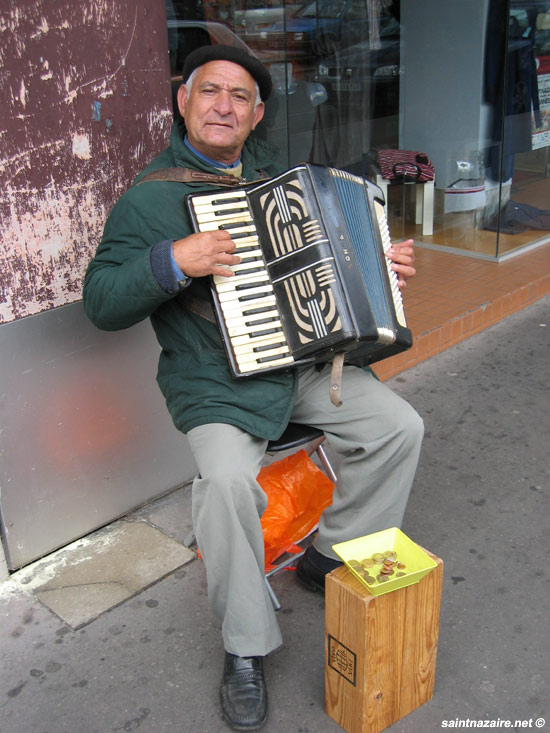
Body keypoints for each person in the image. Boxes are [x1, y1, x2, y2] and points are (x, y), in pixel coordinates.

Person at [83, 44, 424, 731]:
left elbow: (326, 263)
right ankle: (245, 645)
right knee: (230, 483)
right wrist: (171, 260)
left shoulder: (278, 176)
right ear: (184, 100)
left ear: (258, 113)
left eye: (240, 98)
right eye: (211, 92)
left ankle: (329, 552)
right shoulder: (149, 202)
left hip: (296, 367)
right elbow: (101, 301)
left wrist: (378, 266)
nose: (224, 107)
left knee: (399, 427)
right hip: (213, 383)